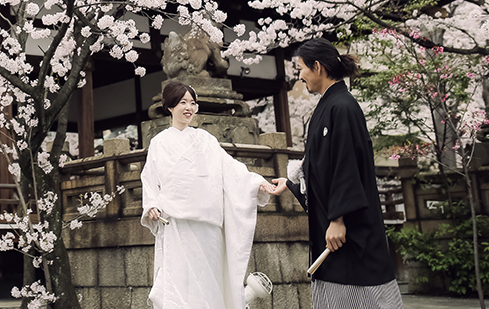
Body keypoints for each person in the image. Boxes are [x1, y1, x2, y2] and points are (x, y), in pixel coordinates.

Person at [271, 37, 403, 309]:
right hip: (334, 226)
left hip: (348, 229)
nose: (300, 76)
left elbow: (346, 164)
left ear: (317, 67)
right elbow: (321, 166)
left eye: (302, 69)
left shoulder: (342, 106)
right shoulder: (328, 105)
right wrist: (292, 183)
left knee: (361, 294)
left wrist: (338, 218)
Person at [141, 79, 275, 309]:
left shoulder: (205, 140)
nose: (189, 108)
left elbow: (230, 169)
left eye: (192, 103)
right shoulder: (159, 143)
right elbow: (149, 179)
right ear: (171, 106)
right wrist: (151, 204)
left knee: (209, 283)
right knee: (179, 283)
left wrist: (255, 183)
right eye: (183, 102)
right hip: (178, 225)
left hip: (208, 226)